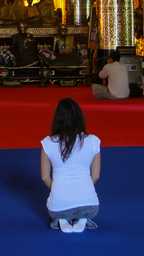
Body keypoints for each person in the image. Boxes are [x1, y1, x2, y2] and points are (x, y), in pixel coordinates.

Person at [40, 98, 101, 233]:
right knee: (87, 207)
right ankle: (83, 219)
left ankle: (62, 219)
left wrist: (58, 190)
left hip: (58, 207)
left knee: (58, 205)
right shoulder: (93, 141)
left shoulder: (48, 143)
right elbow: (96, 175)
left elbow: (45, 177)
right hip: (90, 206)